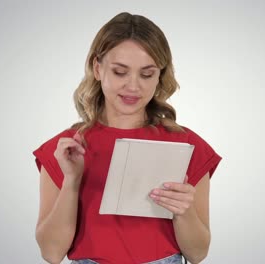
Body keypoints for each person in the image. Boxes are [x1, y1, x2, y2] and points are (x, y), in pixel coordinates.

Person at [33, 12, 222, 264]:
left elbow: (197, 254)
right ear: (97, 68)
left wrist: (183, 212)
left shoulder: (186, 145)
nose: (133, 86)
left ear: (159, 75)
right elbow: (51, 253)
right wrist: (71, 181)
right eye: (120, 72)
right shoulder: (67, 149)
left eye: (146, 74)